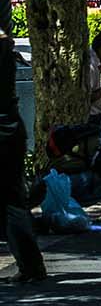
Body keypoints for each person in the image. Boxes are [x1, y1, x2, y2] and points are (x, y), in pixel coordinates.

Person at [1, 29, 45, 286]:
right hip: (11, 129)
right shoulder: (7, 48)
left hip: (4, 130)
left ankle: (30, 264)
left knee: (11, 201)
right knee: (12, 199)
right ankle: (30, 263)